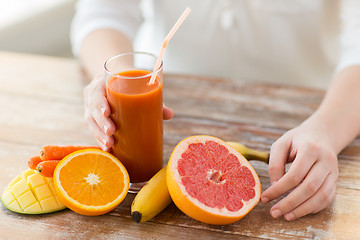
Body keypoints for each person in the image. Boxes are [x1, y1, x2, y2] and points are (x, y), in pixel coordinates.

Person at [71, 0, 360, 221]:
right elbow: (102, 15)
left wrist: (326, 129)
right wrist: (114, 80)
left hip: (315, 111)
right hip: (173, 109)